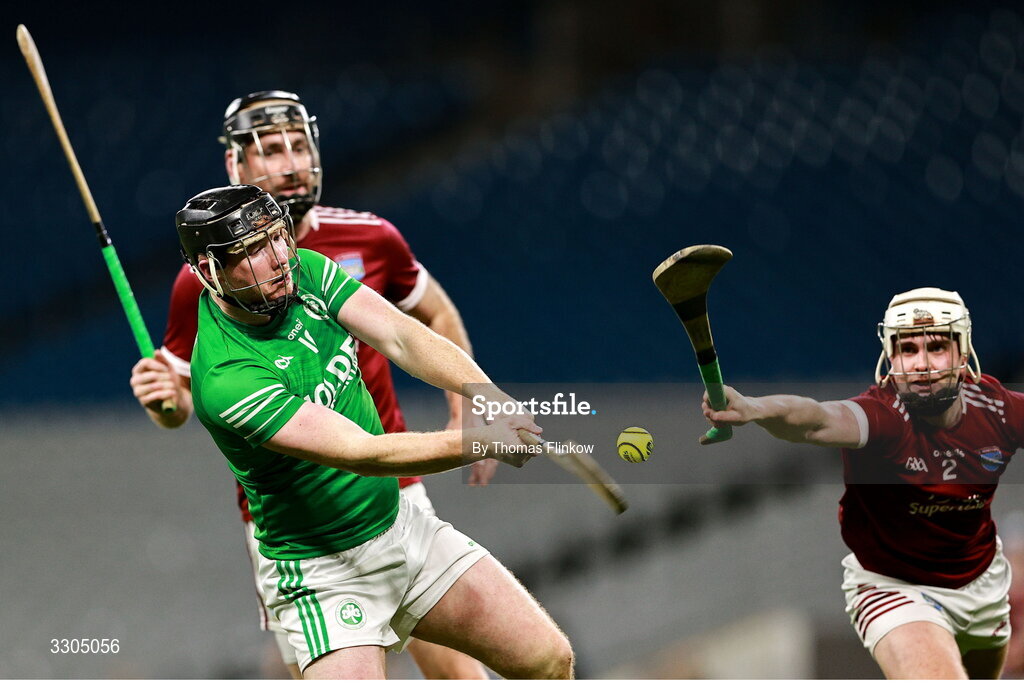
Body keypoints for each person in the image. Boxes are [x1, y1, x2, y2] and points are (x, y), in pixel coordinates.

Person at [130, 91, 493, 679]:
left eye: (299, 146)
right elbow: (183, 400)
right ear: (236, 168)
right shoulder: (200, 282)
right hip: (294, 527)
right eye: (271, 150)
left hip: (393, 485)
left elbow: (436, 320)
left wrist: (466, 412)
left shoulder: (370, 238)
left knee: (460, 674)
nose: (291, 163)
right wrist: (164, 404)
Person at [170, 184, 574, 679]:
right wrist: (481, 443)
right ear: (208, 271)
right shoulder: (226, 379)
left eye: (277, 237)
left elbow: (401, 336)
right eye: (252, 251)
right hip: (325, 575)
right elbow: (363, 453)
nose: (278, 258)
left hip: (404, 529)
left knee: (550, 660)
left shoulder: (307, 274)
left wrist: (486, 396)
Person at [701, 287, 1020, 679]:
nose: (921, 364)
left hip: (984, 583)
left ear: (963, 354)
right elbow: (815, 419)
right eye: (907, 350)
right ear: (890, 357)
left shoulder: (999, 409)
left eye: (936, 347)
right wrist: (756, 408)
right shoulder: (884, 415)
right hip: (894, 586)